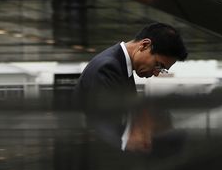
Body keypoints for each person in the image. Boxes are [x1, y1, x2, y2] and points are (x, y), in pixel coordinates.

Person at [74, 22, 188, 152]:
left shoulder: (119, 67)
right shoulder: (107, 68)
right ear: (144, 45)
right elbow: (102, 127)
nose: (156, 73)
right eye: (158, 65)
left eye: (162, 70)